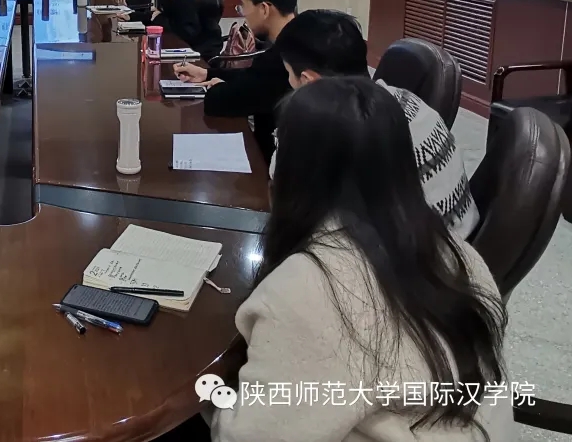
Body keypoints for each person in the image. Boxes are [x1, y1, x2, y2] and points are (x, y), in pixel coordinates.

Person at [208, 77, 510, 441]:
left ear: (295, 172)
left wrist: (209, 394)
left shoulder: (307, 289)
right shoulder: (460, 253)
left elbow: (247, 437)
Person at [273, 9, 480, 237]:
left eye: (288, 73)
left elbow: (283, 184)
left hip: (420, 253)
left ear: (308, 80)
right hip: (456, 239)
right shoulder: (402, 97)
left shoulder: (338, 127)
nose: (289, 82)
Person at [175, 0, 296, 162]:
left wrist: (217, 86)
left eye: (243, 7)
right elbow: (252, 78)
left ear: (264, 9)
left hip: (270, 166)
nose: (243, 15)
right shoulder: (296, 39)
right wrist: (207, 73)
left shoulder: (283, 58)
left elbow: (219, 102)